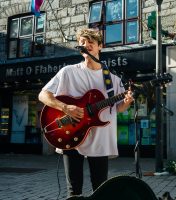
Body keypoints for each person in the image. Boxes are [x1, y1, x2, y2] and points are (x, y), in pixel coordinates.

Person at [38, 28, 134, 197]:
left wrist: (125, 104)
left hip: (100, 139)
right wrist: (65, 107)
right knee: (74, 190)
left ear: (100, 46)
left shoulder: (113, 79)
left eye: (91, 42)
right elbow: (43, 95)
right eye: (82, 42)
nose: (86, 45)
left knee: (100, 189)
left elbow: (116, 109)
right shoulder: (68, 72)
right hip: (71, 134)